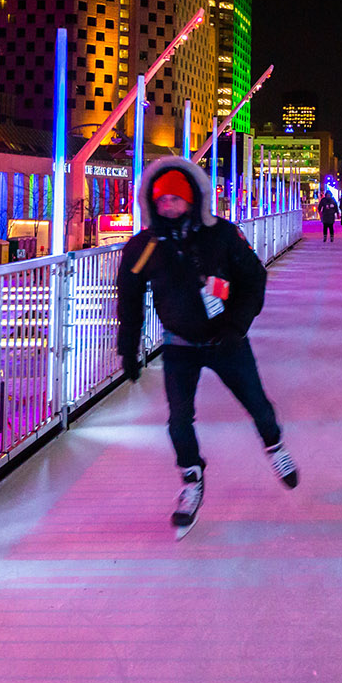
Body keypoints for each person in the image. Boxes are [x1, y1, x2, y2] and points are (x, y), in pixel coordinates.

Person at [117, 155, 297, 533]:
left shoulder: (222, 236)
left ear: (192, 200)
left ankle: (274, 444)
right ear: (151, 201)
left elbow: (253, 279)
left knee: (257, 404)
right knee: (178, 420)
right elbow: (129, 298)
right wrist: (128, 349)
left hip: (224, 339)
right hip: (179, 343)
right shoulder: (144, 247)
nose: (168, 206)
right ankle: (191, 478)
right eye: (162, 200)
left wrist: (237, 324)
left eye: (176, 199)